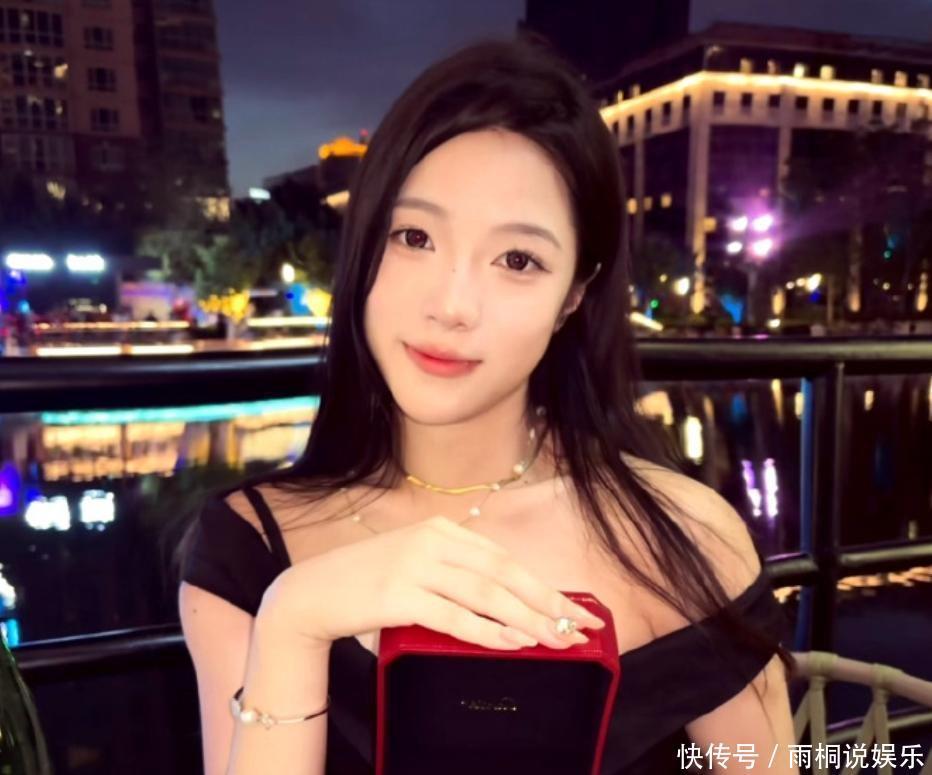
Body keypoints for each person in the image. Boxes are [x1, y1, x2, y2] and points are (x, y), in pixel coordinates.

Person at [177, 36, 798, 775]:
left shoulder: (683, 538)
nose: (452, 304)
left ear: (574, 294)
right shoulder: (248, 549)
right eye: (414, 237)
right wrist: (294, 623)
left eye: (518, 260)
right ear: (364, 247)